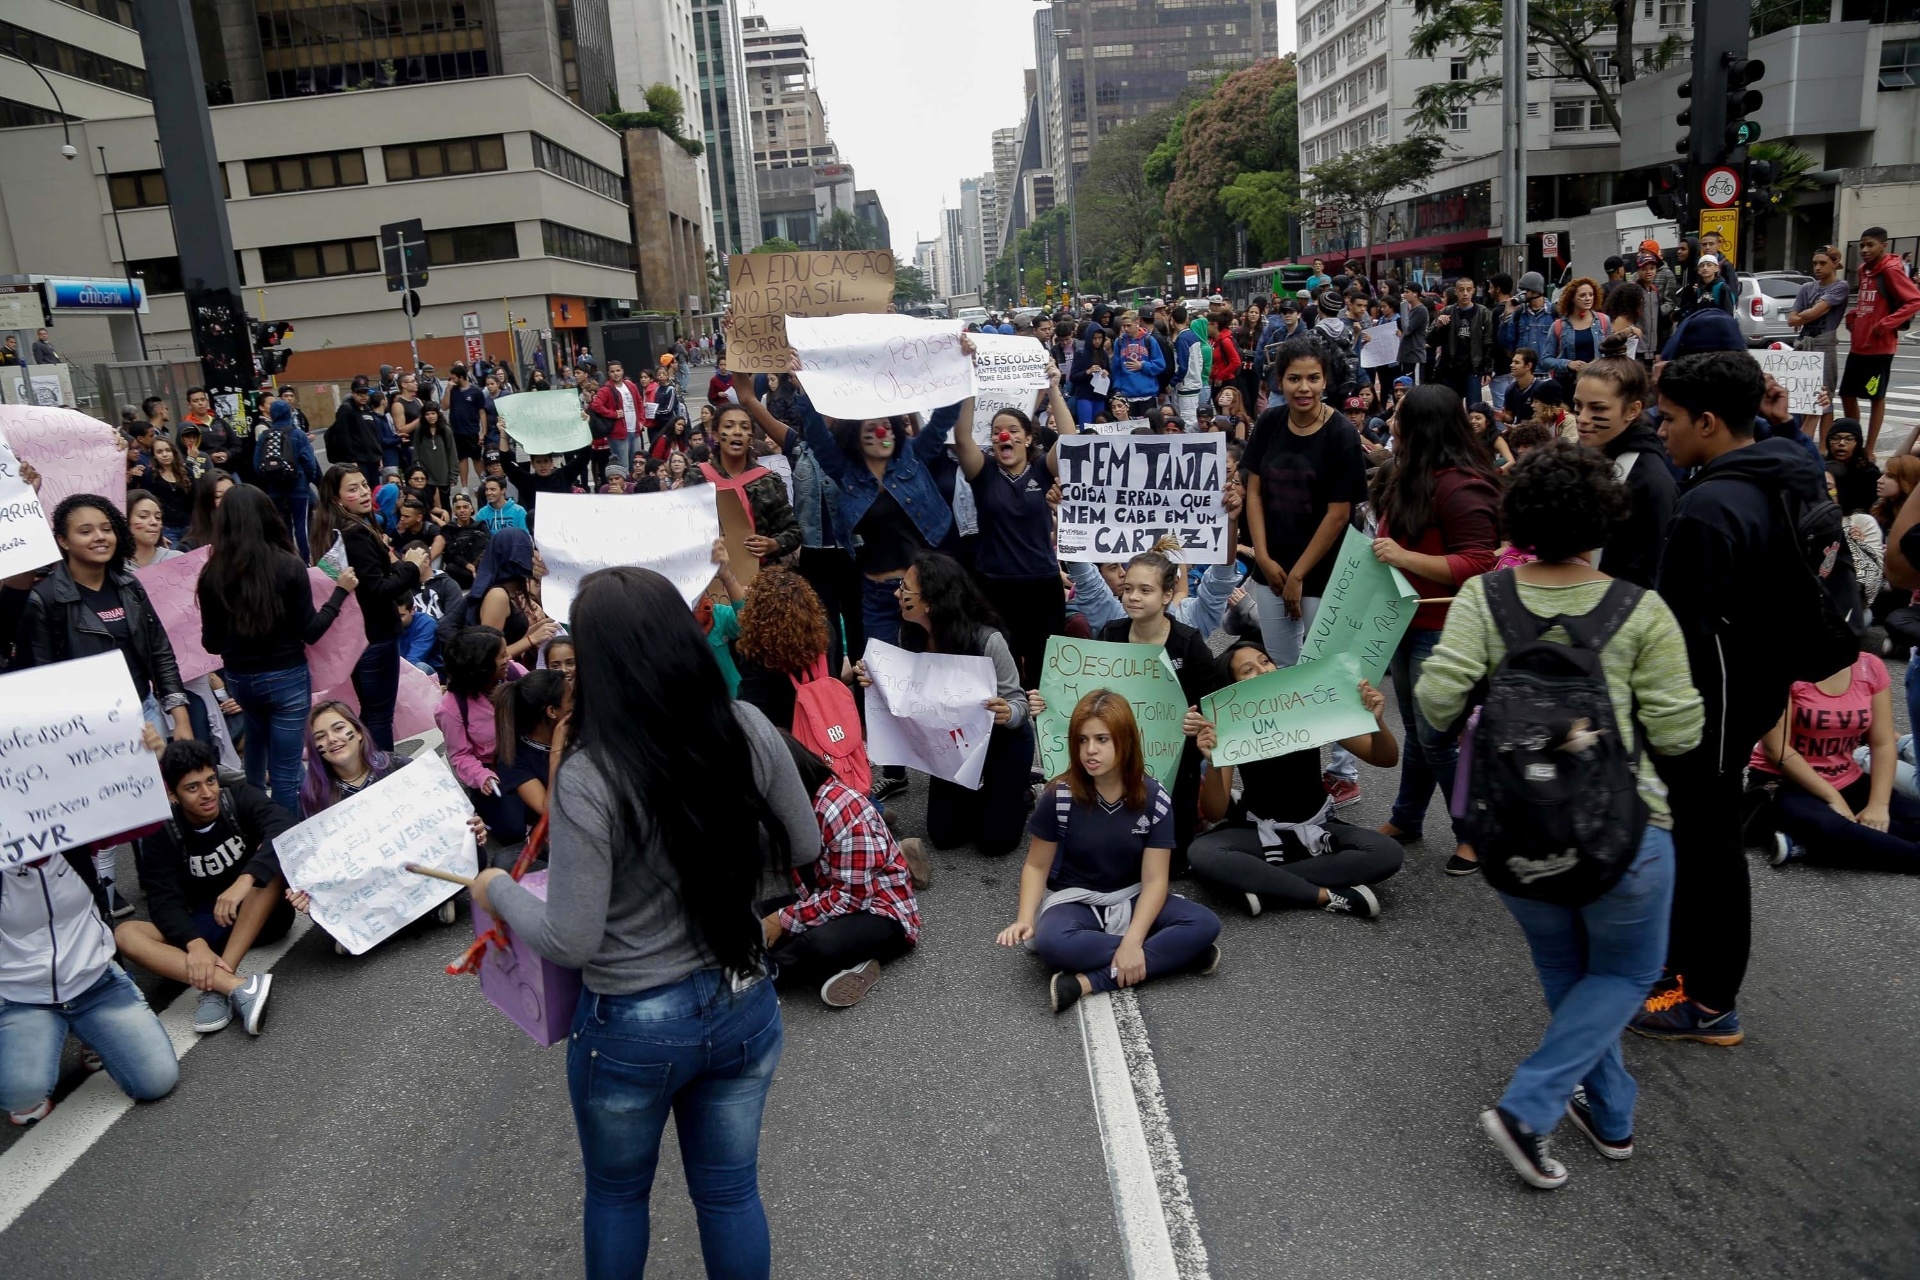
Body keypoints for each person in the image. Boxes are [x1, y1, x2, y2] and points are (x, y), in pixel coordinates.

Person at [470, 566, 816, 1279]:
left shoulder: (591, 777)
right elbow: (805, 845)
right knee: (729, 1193)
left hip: (632, 1023)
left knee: (618, 1195)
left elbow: (570, 937)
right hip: (743, 996)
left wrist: (498, 889)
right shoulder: (746, 726)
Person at [1415, 441, 1703, 1191]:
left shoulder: (1486, 599)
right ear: (1606, 517)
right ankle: (1533, 1103)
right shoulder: (1641, 610)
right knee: (1629, 969)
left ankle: (1611, 1115)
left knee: (1566, 968)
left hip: (1515, 831)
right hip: (1626, 834)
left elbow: (1437, 701)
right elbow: (1679, 733)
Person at [1636, 350, 1830, 1047]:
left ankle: (1709, 1000)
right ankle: (1685, 973)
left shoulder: (1710, 506)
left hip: (1708, 705)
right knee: (1704, 844)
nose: (1663, 432)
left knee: (1708, 849)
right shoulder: (1786, 469)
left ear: (1710, 422)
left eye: (1671, 419)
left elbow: (1676, 635)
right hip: (1755, 686)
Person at [994, 691, 1222, 1014]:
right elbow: (1036, 866)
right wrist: (1024, 918)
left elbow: (1156, 881)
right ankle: (1178, 954)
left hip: (1132, 897)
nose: (1090, 750)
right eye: (1083, 740)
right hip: (1076, 901)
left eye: (1102, 739)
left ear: (1125, 740)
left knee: (1205, 923)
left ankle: (1089, 982)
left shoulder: (1155, 798)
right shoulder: (1059, 795)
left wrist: (1132, 943)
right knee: (1052, 943)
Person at [1, 730, 180, 1127]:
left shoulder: (77, 831)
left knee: (157, 1080)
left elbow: (145, 817)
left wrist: (150, 759)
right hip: (21, 996)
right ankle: (34, 1044)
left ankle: (92, 1031)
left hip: (95, 982)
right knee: (20, 1096)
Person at [1370, 387, 1502, 872]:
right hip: (1406, 621)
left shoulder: (1461, 484)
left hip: (1442, 628)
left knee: (1438, 736)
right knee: (1421, 733)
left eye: (1400, 415)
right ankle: (1407, 818)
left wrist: (1404, 558)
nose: (1391, 421)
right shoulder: (1409, 472)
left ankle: (1473, 833)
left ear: (1422, 426)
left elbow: (1479, 562)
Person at [1242, 338, 1371, 805]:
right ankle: (1292, 762)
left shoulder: (1340, 434)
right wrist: (1263, 555)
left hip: (1324, 574)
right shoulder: (1270, 423)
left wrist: (1297, 574)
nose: (1304, 387)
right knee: (1280, 672)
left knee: (1326, 674)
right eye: (1294, 378)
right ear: (1280, 381)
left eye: (1313, 378)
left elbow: (1340, 513)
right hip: (1271, 570)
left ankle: (1342, 770)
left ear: (1325, 381)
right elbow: (1253, 493)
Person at [1189, 642, 1403, 918]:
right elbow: (1215, 812)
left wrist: (1378, 722)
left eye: (1265, 661)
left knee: (1387, 853)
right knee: (1202, 853)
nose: (1263, 670)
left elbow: (1385, 759)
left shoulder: (1307, 707)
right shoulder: (1230, 726)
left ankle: (1261, 882)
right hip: (1261, 829)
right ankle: (1324, 895)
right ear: (1234, 688)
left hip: (1318, 825)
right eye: (1248, 670)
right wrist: (1214, 759)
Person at [855, 553, 1034, 858]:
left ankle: (1020, 793)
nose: (897, 593)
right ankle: (984, 797)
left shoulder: (987, 641)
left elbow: (1019, 703)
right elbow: (905, 693)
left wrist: (1008, 712)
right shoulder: (908, 635)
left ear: (931, 603)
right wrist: (873, 678)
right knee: (944, 836)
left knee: (995, 844)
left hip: (1001, 745)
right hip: (953, 749)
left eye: (906, 589)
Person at [115, 740, 293, 1036]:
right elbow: (163, 901)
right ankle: (233, 987)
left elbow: (285, 826)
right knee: (125, 934)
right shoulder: (164, 833)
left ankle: (223, 976)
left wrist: (244, 880)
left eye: (210, 780)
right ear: (173, 794)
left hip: (262, 916)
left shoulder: (238, 799)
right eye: (193, 787)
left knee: (269, 869)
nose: (207, 793)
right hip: (207, 927)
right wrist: (194, 943)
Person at [199, 488, 355, 811]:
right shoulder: (287, 566)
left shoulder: (211, 575)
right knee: (285, 772)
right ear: (267, 517)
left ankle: (254, 817)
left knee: (256, 742)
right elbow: (311, 632)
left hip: (240, 681)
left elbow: (210, 643)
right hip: (286, 679)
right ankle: (282, 843)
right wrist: (339, 593)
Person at [15, 493, 193, 746]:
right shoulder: (45, 600)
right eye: (85, 531)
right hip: (87, 729)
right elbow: (42, 678)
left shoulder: (130, 586)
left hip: (147, 715)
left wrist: (180, 717)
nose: (100, 537)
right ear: (63, 541)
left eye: (107, 529)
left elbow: (160, 651)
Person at [760, 734, 921, 1008]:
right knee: (748, 916)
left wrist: (782, 920)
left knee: (814, 945)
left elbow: (851, 898)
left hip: (880, 911)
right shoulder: (784, 807)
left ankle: (763, 976)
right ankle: (838, 968)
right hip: (821, 898)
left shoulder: (841, 808)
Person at [950, 360, 1076, 688]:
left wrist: (1053, 388)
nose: (1004, 435)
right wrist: (969, 383)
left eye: (1013, 430)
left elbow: (1071, 439)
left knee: (1043, 671)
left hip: (1042, 586)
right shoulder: (983, 472)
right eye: (996, 432)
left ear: (1027, 438)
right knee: (998, 670)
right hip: (995, 587)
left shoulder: (1042, 472)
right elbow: (962, 437)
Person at [1754, 644, 1920, 871]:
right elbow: (1776, 750)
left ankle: (1808, 845)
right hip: (1786, 782)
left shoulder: (1870, 666)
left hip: (1847, 778)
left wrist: (1878, 805)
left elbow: (1882, 743)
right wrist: (1833, 797)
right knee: (1833, 828)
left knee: (1910, 820)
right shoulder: (1783, 666)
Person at [310, 465, 428, 751]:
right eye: (353, 489)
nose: (363, 493)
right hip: (373, 634)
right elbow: (375, 590)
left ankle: (374, 768)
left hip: (357, 637)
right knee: (378, 715)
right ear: (337, 499)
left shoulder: (336, 528)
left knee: (371, 712)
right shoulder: (354, 533)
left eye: (364, 485)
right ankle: (383, 772)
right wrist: (411, 566)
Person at [1570, 355, 1674, 590]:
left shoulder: (1649, 480)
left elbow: (1649, 571)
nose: (1582, 419)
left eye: (1598, 408)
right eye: (1578, 405)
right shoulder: (1581, 455)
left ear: (1632, 410)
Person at [437, 625, 530, 845]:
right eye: (502, 655)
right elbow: (459, 756)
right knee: (512, 830)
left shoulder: (516, 674)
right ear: (481, 667)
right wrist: (482, 776)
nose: (509, 657)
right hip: (493, 770)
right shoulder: (452, 708)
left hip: (527, 756)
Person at [688, 404, 802, 571]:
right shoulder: (697, 477)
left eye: (744, 427)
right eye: (728, 426)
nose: (737, 432)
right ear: (715, 436)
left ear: (751, 437)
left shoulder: (768, 480)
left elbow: (793, 531)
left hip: (759, 578)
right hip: (710, 575)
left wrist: (774, 544)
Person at [1841, 226, 1920, 456]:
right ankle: (1854, 439)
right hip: (1859, 345)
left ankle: (1869, 449)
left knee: (1876, 397)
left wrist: (1886, 323)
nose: (1864, 250)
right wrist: (1854, 314)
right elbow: (1868, 302)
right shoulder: (1864, 270)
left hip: (1880, 349)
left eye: (1870, 245)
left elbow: (1914, 301)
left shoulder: (1891, 270)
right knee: (1847, 393)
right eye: (1862, 245)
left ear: (1883, 246)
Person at [492, 668, 570, 840]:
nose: (578, 704)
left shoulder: (578, 731)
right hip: (554, 835)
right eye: (571, 699)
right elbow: (549, 810)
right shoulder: (513, 758)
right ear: (552, 712)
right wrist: (557, 752)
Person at [468, 527, 560, 666]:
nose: (534, 556)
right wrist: (532, 639)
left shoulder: (514, 592)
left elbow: (511, 638)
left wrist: (537, 629)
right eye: (529, 550)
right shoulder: (497, 596)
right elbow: (489, 656)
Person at [1435, 276, 1495, 405]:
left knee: (1474, 408)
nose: (1465, 293)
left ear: (1473, 290)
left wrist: (1487, 370)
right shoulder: (1446, 311)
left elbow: (1488, 343)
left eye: (1468, 289)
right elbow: (1430, 339)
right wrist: (1438, 326)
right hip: (1450, 368)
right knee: (1451, 409)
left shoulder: (1483, 312)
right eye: (1461, 290)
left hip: (1473, 368)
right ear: (1456, 291)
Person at [1540, 277, 1611, 384]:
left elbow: (1610, 354)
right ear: (1572, 298)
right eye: (1582, 295)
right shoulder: (1559, 325)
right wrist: (1568, 364)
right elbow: (1546, 360)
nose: (1588, 298)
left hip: (1597, 381)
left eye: (1591, 295)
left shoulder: (1603, 321)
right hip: (1567, 384)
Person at [326, 378, 385, 488]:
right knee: (362, 489)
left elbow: (373, 434)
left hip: (373, 459)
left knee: (375, 490)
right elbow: (343, 436)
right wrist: (351, 460)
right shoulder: (346, 409)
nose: (363, 396)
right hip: (359, 461)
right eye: (359, 393)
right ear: (353, 393)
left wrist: (378, 455)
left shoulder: (367, 408)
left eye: (365, 393)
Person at [137, 435, 194, 545]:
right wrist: (159, 533)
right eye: (159, 452)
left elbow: (196, 501)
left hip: (189, 526)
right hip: (166, 528)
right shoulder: (150, 475)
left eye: (168, 450)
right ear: (154, 456)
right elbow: (148, 504)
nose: (164, 455)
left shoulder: (187, 472)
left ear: (173, 452)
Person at [445, 362, 495, 487]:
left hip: (472, 431)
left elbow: (482, 412)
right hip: (457, 431)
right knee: (462, 459)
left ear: (461, 377)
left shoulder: (476, 391)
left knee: (477, 459)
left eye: (454, 378)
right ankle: (464, 487)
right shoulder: (453, 391)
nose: (452, 380)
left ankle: (484, 484)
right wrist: (448, 390)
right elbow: (444, 406)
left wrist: (483, 432)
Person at [1825, 418, 1881, 516]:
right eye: (1835, 438)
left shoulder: (1869, 473)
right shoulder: (1821, 468)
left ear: (1858, 443)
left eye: (1849, 439)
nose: (1841, 443)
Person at [441, 488, 491, 589]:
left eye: (465, 507)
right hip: (461, 568)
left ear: (471, 509)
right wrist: (468, 566)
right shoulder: (448, 529)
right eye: (458, 508)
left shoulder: (480, 526)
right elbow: (450, 554)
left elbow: (489, 546)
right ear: (454, 511)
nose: (462, 510)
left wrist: (476, 565)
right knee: (450, 568)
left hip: (480, 565)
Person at [412, 401, 459, 508]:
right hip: (426, 474)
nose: (431, 416)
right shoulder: (420, 431)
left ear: (438, 414)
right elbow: (416, 453)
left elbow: (452, 452)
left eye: (433, 413)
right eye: (427, 414)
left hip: (443, 474)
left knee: (445, 503)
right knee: (428, 503)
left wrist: (453, 475)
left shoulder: (445, 430)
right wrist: (417, 470)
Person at [1068, 326, 1114, 425]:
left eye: (1100, 338)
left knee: (1099, 425)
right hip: (1084, 395)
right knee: (1086, 426)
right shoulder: (1080, 353)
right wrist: (1087, 372)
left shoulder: (1104, 354)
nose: (1097, 341)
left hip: (1099, 395)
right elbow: (1073, 377)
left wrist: (1107, 374)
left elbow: (1110, 375)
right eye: (1094, 338)